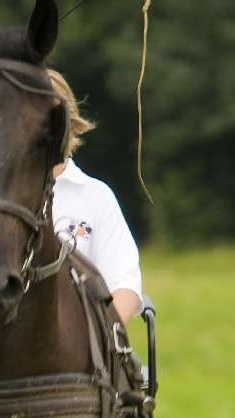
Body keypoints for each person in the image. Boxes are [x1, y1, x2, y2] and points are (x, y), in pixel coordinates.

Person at [49, 69, 143, 326]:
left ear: (70, 123)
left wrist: (104, 341)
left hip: (82, 346)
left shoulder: (95, 196)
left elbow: (125, 285)